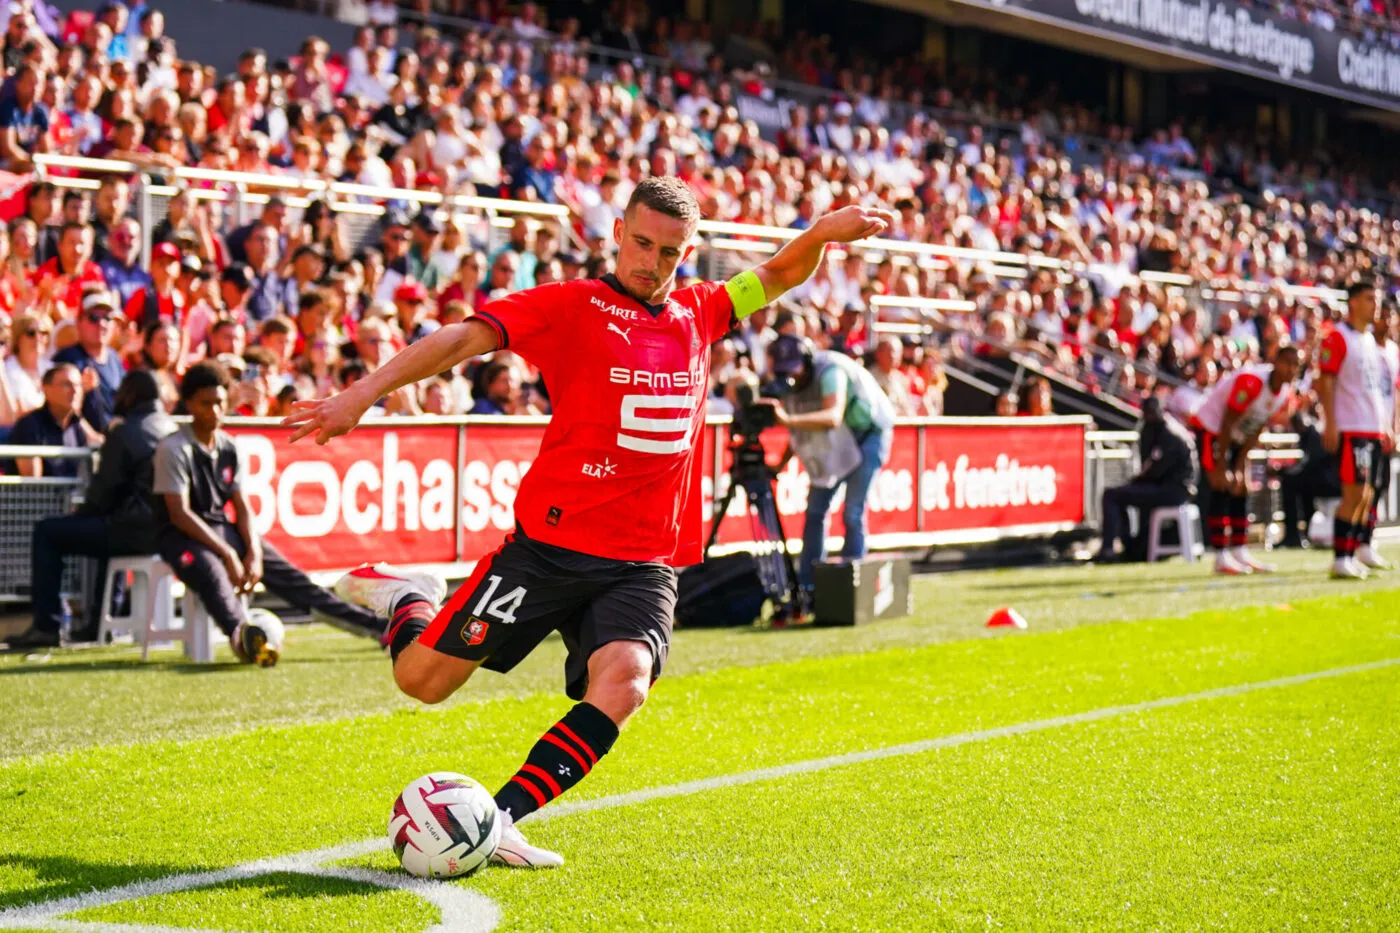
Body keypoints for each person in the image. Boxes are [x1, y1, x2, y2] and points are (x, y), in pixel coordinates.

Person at [283, 177, 893, 867]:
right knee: (423, 681)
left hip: (641, 562)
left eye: (668, 252)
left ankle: (498, 818)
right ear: (617, 234)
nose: (651, 261)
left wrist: (817, 235)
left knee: (628, 678)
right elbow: (462, 340)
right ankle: (410, 595)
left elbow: (779, 272)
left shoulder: (704, 310)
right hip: (546, 550)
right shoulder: (573, 306)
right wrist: (362, 393)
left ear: (685, 254)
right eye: (640, 242)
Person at [152, 361, 389, 666]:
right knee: (213, 574)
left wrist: (253, 551)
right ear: (188, 404)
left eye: (219, 403)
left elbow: (242, 506)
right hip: (180, 537)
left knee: (296, 581)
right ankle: (244, 637)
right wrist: (228, 554)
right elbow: (179, 513)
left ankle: (380, 628)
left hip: (221, 532)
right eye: (204, 403)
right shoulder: (174, 448)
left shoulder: (228, 446)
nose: (213, 411)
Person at [3, 371, 174, 651]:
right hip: (162, 531)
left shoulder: (127, 431)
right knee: (112, 536)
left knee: (48, 532)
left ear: (130, 395)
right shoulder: (169, 427)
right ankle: (99, 625)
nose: (115, 398)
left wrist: (80, 514)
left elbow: (103, 494)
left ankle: (47, 626)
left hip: (133, 530)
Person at [765, 334, 896, 591]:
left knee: (853, 512)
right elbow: (799, 432)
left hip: (868, 436)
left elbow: (832, 416)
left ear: (806, 360)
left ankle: (852, 589)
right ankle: (809, 588)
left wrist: (786, 420)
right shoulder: (790, 385)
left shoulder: (830, 370)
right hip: (838, 441)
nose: (790, 376)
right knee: (815, 511)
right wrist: (780, 465)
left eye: (792, 369)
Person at [1189, 346, 1302, 575]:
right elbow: (1227, 421)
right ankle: (1220, 556)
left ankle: (1240, 551)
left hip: (1236, 436)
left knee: (1241, 488)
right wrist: (1222, 464)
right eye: (1286, 362)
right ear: (1276, 361)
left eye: (1295, 364)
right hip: (1213, 430)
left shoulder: (1283, 392)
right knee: (1221, 485)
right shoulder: (1252, 381)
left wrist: (1241, 464)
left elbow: (1257, 427)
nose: (1290, 369)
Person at [1318, 279, 1393, 578]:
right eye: (1367, 299)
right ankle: (1340, 558)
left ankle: (1351, 554)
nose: (1374, 305)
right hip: (1352, 426)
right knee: (1354, 493)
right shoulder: (1338, 338)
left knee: (1366, 495)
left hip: (1372, 428)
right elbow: (1326, 381)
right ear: (1352, 302)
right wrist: (1331, 423)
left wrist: (1385, 425)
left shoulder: (1368, 341)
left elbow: (1375, 390)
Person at [1093, 397, 1195, 563]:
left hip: (1173, 490)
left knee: (1112, 495)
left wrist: (1140, 479)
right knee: (1117, 495)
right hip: (1173, 488)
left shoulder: (1169, 433)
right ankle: (1130, 547)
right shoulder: (1160, 429)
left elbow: (1159, 469)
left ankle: (1109, 549)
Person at [53, 291, 127, 432]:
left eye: (107, 318)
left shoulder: (114, 358)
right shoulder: (66, 358)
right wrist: (80, 391)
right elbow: (59, 410)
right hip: (81, 445)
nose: (101, 324)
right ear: (78, 322)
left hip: (116, 440)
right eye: (93, 318)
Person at [7, 363, 96, 477]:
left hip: (75, 494)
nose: (75, 391)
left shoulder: (77, 424)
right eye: (67, 384)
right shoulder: (28, 426)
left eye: (79, 385)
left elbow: (101, 444)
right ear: (46, 389)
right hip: (43, 495)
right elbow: (32, 486)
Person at [1275, 407, 1340, 550]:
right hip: (1322, 481)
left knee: (1289, 484)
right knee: (1295, 485)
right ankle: (1298, 534)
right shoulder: (1310, 433)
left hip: (1328, 482)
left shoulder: (1313, 433)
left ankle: (1293, 535)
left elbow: (1309, 462)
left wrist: (1286, 472)